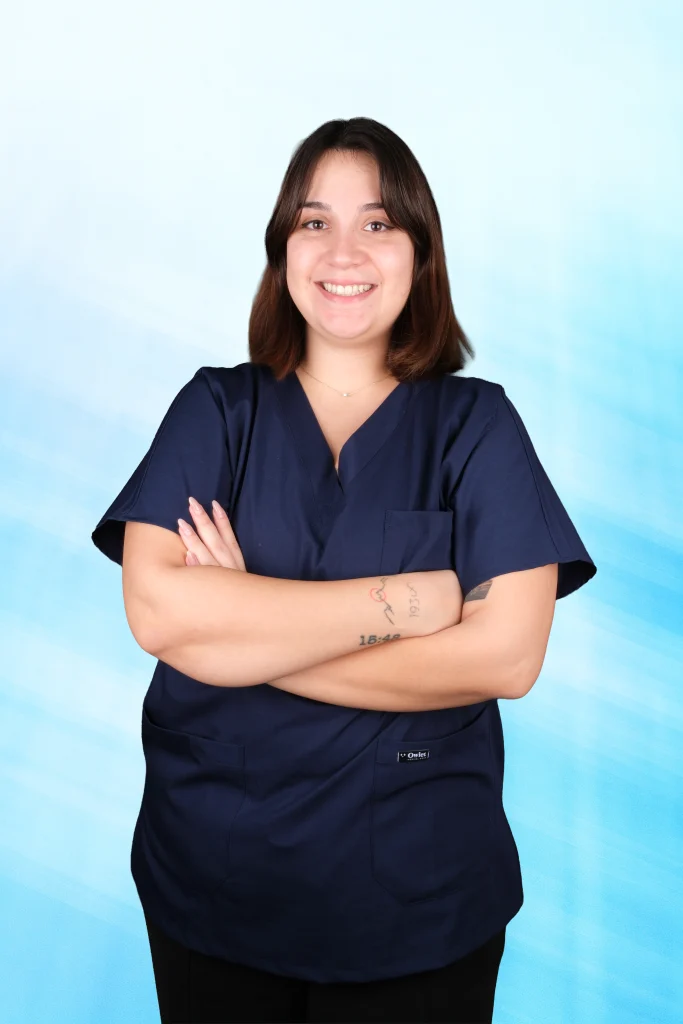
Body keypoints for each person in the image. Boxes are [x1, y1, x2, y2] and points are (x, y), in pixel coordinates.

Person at [92, 117, 597, 1023]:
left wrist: (242, 636)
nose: (343, 252)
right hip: (214, 881)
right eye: (314, 222)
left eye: (377, 223)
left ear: (419, 252)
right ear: (282, 250)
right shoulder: (217, 410)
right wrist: (412, 604)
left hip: (420, 898)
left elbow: (507, 657)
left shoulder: (476, 426)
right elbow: (159, 615)